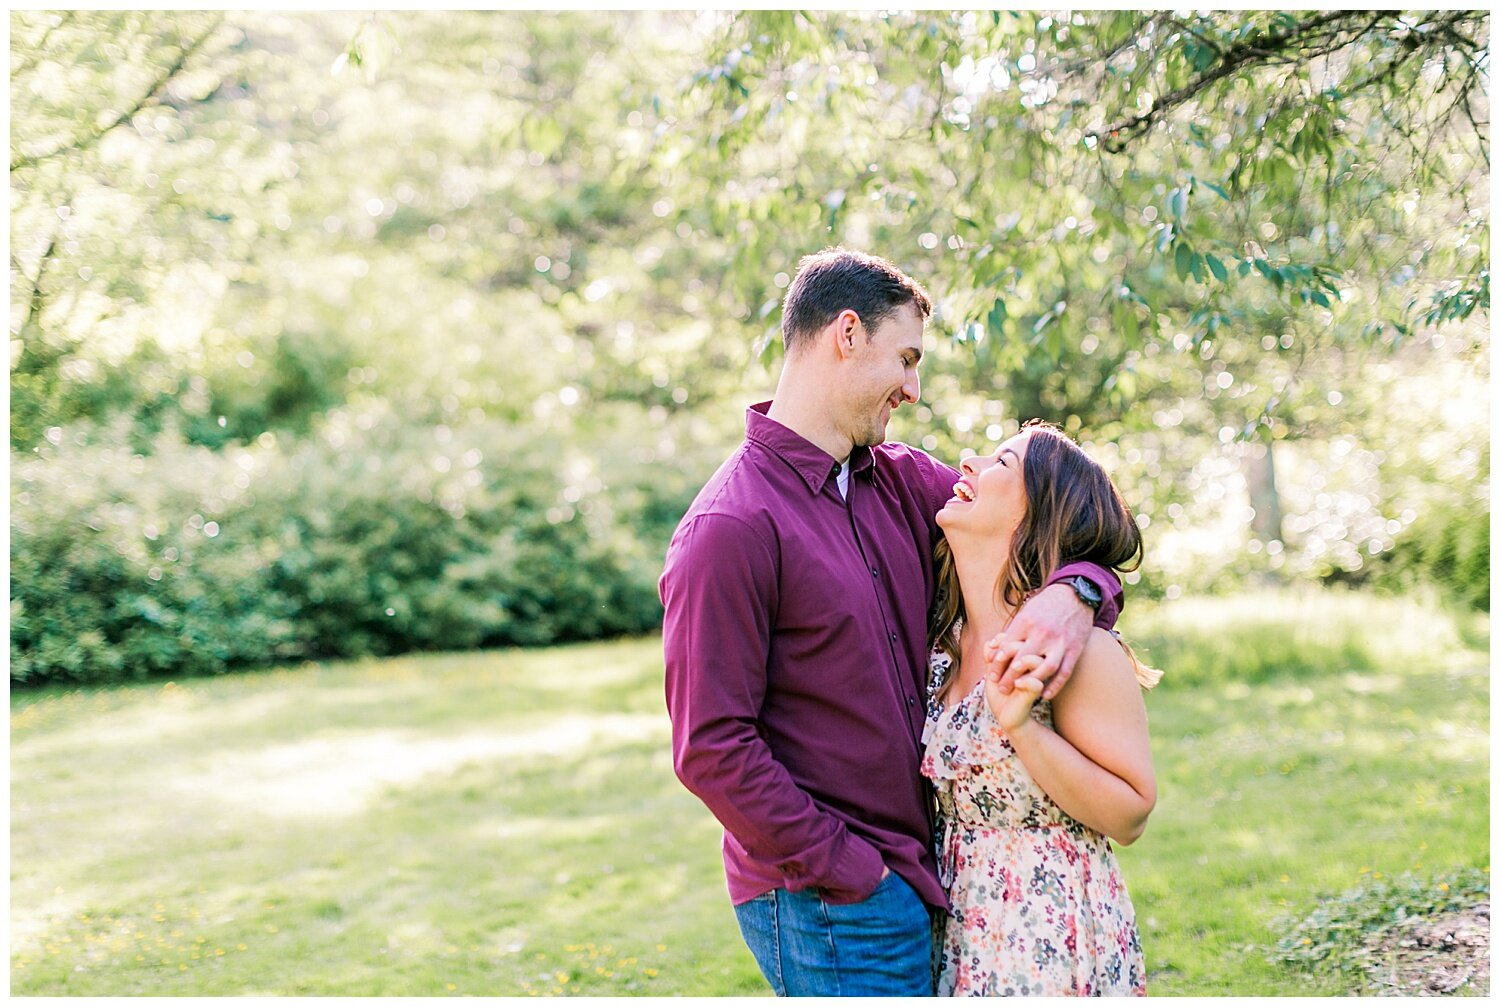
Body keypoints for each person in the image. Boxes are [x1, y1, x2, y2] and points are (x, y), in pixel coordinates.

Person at [659, 248, 1125, 996]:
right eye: (906, 359)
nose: (913, 388)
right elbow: (711, 748)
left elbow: (1058, 526)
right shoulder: (729, 527)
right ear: (847, 334)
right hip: (831, 897)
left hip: (920, 873)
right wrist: (854, 871)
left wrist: (1076, 594)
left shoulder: (907, 483)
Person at [922, 420, 1159, 996]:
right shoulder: (941, 642)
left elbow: (1131, 813)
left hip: (1048, 931)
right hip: (957, 927)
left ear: (1036, 519)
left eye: (1001, 463)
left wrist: (1022, 727)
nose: (968, 463)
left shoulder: (1080, 652)